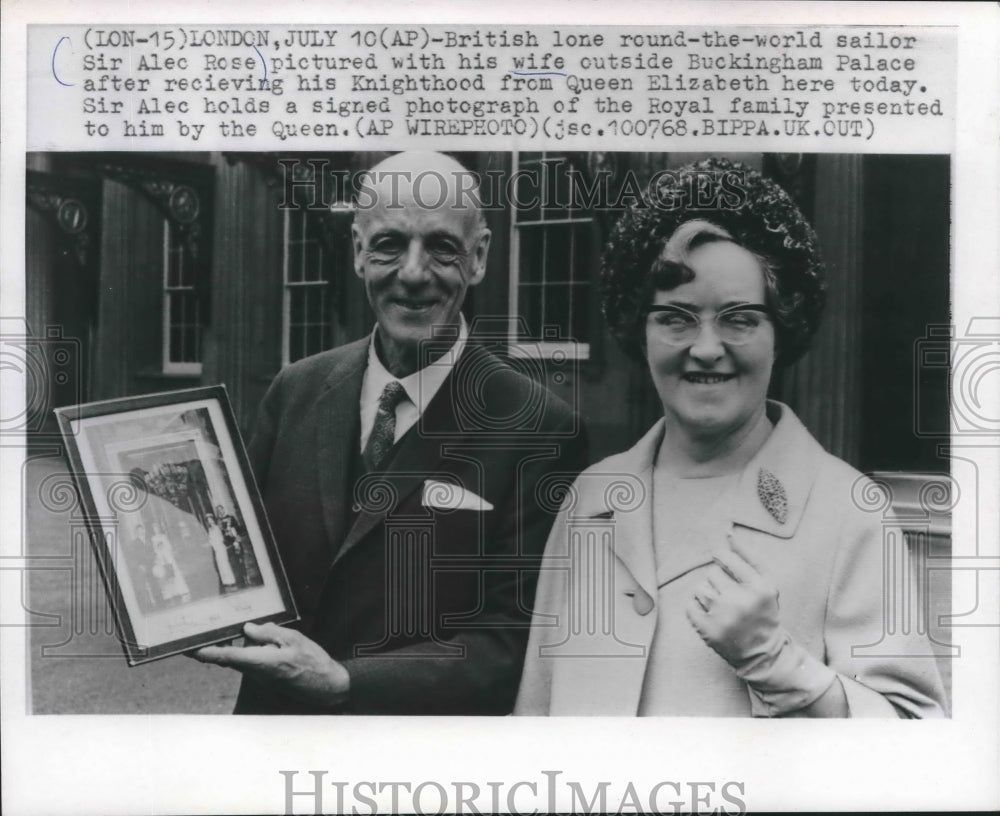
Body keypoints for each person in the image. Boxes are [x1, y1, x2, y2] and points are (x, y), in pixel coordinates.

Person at [515, 158, 946, 717]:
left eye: (740, 318)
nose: (707, 348)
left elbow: (915, 743)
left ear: (781, 330)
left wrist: (778, 663)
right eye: (675, 317)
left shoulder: (849, 512)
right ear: (639, 330)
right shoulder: (591, 498)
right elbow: (534, 718)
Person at [194, 151, 585, 714]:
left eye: (442, 247)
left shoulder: (540, 428)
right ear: (358, 251)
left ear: (478, 258)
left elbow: (509, 642)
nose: (413, 273)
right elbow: (240, 560)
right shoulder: (295, 390)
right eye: (389, 244)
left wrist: (346, 682)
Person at [205, 513, 238, 593]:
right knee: (221, 565)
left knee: (225, 564)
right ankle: (226, 582)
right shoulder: (210, 530)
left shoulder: (216, 528)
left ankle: (231, 581)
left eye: (211, 519)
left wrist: (215, 544)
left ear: (213, 520)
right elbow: (211, 540)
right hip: (216, 549)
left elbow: (221, 538)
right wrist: (210, 544)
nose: (210, 521)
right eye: (208, 520)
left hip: (220, 548)